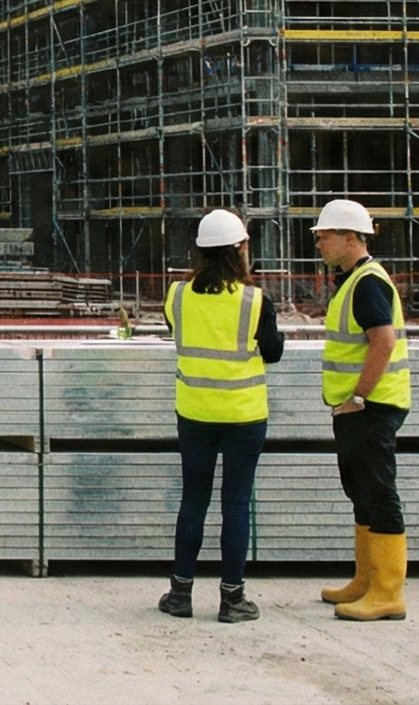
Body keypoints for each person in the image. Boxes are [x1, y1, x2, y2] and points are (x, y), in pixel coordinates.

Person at [158, 209, 283, 624]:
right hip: (244, 415)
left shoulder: (176, 295)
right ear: (241, 248)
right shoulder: (255, 300)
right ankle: (232, 599)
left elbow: (177, 330)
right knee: (236, 503)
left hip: (194, 413)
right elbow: (273, 352)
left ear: (199, 251)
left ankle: (180, 594)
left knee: (193, 501)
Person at [313, 198, 412, 622]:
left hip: (371, 406)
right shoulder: (352, 280)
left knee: (378, 493)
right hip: (357, 407)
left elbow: (383, 341)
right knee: (361, 493)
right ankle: (365, 580)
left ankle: (387, 591)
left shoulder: (368, 282)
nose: (318, 243)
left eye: (324, 236)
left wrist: (359, 396)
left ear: (350, 238)